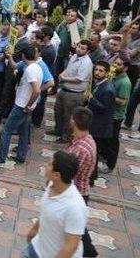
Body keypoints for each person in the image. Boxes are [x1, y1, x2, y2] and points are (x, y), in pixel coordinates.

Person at [23, 151, 88, 258]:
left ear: (56, 175)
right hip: (36, 248)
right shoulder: (52, 184)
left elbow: (71, 246)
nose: (45, 166)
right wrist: (34, 229)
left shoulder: (74, 207)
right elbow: (47, 212)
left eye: (49, 164)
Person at [0, 45, 41, 165]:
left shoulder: (30, 70)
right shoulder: (36, 67)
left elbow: (36, 90)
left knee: (7, 131)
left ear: (23, 56)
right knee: (23, 131)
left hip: (22, 106)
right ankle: (21, 156)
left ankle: (0, 157)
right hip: (27, 106)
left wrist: (28, 105)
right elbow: (15, 66)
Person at [65, 107, 98, 258]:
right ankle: (89, 252)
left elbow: (68, 173)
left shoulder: (82, 148)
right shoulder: (84, 139)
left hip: (76, 193)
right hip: (76, 192)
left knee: (77, 229)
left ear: (73, 121)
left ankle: (89, 253)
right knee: (78, 227)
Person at [51, 40, 92, 143]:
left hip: (74, 93)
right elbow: (68, 69)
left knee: (69, 116)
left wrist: (64, 78)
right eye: (79, 46)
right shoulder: (74, 56)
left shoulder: (86, 63)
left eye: (83, 48)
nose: (79, 49)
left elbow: (79, 79)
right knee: (58, 111)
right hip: (64, 89)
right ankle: (58, 130)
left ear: (87, 51)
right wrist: (62, 74)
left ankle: (66, 137)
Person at [84, 61, 116, 181]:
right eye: (96, 70)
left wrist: (91, 99)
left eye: (101, 71)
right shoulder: (100, 84)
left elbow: (104, 109)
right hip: (95, 122)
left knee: (94, 152)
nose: (97, 72)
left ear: (107, 73)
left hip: (99, 126)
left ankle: (91, 177)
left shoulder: (107, 89)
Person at [105, 56, 131, 172]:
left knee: (112, 141)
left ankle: (111, 164)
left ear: (125, 68)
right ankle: (104, 157)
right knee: (105, 139)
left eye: (119, 64)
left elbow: (122, 101)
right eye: (115, 63)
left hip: (116, 116)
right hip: (108, 113)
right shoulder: (113, 76)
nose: (115, 65)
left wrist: (109, 95)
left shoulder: (125, 82)